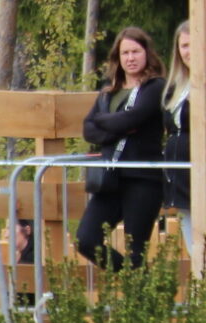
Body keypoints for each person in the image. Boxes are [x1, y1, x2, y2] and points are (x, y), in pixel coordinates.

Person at [80, 26, 167, 269]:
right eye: (125, 53)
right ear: (117, 57)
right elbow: (88, 129)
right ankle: (137, 280)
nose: (130, 58)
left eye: (135, 52)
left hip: (143, 179)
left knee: (135, 250)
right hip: (110, 179)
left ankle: (137, 284)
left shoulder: (155, 87)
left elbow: (132, 119)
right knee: (86, 240)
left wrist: (104, 122)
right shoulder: (109, 91)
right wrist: (113, 125)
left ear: (147, 53)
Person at [163, 19, 191, 239]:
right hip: (180, 177)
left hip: (199, 172)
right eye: (184, 46)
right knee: (193, 243)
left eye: (195, 44)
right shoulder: (176, 87)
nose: (189, 51)